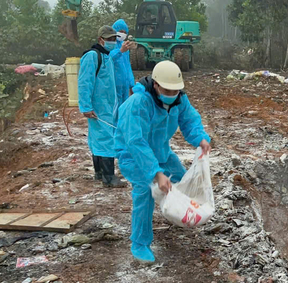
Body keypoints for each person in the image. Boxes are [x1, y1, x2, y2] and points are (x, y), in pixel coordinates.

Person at [115, 61, 211, 262]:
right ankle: (140, 243)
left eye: (176, 90)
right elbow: (136, 142)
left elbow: (190, 120)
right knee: (145, 191)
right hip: (133, 155)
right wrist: (156, 174)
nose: (172, 94)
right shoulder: (139, 103)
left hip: (162, 151)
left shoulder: (178, 99)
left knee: (182, 178)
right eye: (167, 90)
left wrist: (201, 139)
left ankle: (181, 212)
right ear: (156, 85)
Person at [78, 25, 131, 187]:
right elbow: (84, 83)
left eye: (114, 39)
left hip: (107, 106)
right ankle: (109, 177)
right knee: (106, 139)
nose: (112, 42)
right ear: (101, 40)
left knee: (98, 138)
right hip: (98, 107)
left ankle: (99, 173)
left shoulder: (106, 56)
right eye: (109, 39)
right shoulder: (92, 56)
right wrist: (85, 106)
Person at [112, 19, 136, 105]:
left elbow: (127, 66)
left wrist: (131, 84)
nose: (122, 34)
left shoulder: (125, 47)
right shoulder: (110, 44)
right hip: (114, 83)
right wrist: (120, 51)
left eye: (124, 32)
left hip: (124, 84)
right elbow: (108, 59)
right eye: (120, 31)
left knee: (124, 107)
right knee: (114, 108)